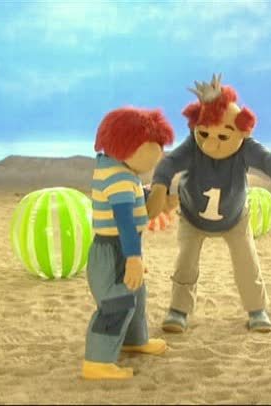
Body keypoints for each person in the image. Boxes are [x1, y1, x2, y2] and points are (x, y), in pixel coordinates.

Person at [147, 74, 271, 333]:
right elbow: (169, 163)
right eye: (204, 133)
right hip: (192, 216)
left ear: (242, 131)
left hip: (235, 219)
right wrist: (159, 186)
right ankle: (178, 310)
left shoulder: (245, 148)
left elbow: (268, 160)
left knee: (247, 263)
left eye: (223, 136)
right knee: (185, 263)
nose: (211, 143)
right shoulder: (193, 146)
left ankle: (257, 309)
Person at [82, 107, 174, 380]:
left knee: (136, 297)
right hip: (114, 251)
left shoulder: (119, 170)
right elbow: (124, 222)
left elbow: (137, 200)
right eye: (153, 147)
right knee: (117, 303)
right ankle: (97, 361)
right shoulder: (119, 179)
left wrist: (159, 199)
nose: (158, 155)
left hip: (121, 248)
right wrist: (133, 258)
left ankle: (134, 339)